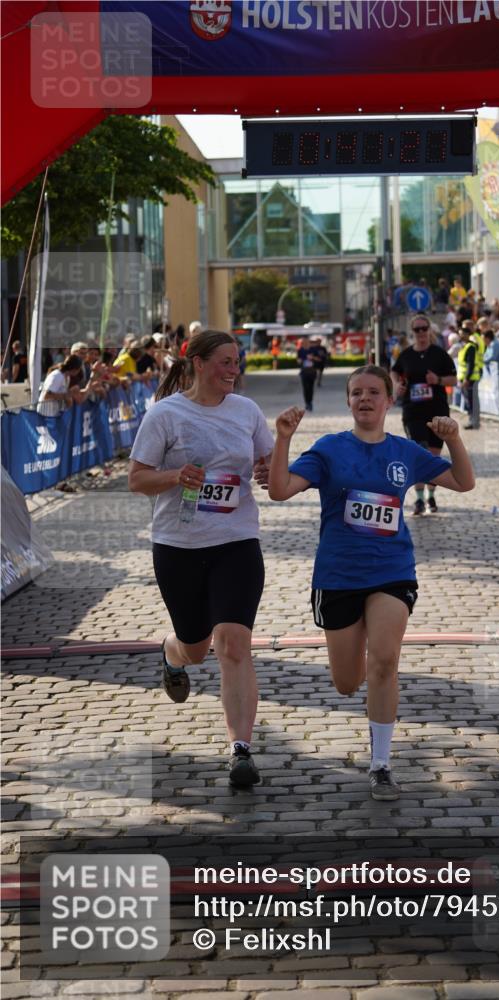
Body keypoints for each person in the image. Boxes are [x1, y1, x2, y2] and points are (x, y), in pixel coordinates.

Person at [268, 365, 475, 800]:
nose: (365, 399)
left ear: (389, 400)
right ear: (348, 401)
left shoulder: (405, 452)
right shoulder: (329, 450)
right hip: (338, 575)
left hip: (392, 570)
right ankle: (357, 656)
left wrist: (454, 438)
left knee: (385, 659)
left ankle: (381, 765)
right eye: (357, 392)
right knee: (347, 682)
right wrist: (283, 437)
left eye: (374, 392)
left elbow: (463, 481)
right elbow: (280, 489)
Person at [127, 330, 274, 789]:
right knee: (196, 646)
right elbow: (137, 479)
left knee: (232, 643)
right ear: (196, 362)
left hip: (236, 542)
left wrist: (270, 470)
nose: (233, 370)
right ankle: (171, 653)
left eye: (237, 362)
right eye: (225, 362)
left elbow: (268, 463)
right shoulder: (165, 415)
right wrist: (176, 476)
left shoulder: (247, 411)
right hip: (178, 547)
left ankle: (240, 751)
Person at [391, 314, 457, 515]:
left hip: (437, 411)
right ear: (413, 333)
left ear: (430, 330)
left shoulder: (440, 354)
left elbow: (454, 380)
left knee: (433, 456)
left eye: (424, 328)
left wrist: (437, 380)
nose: (421, 333)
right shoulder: (406, 355)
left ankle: (431, 495)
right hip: (413, 411)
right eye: (417, 329)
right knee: (419, 452)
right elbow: (394, 372)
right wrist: (397, 384)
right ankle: (419, 500)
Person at [456, 323, 483, 429]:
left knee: (472, 401)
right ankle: (472, 421)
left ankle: (474, 422)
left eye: (462, 334)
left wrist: (467, 379)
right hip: (466, 378)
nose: (460, 336)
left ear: (467, 334)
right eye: (459, 334)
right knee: (469, 401)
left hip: (470, 379)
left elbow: (470, 364)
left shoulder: (470, 347)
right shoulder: (465, 346)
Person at [297, 336, 320, 411]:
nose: (305, 343)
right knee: (305, 388)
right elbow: (298, 360)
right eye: (303, 342)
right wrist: (301, 360)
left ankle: (310, 402)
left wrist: (312, 358)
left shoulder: (313, 350)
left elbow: (319, 359)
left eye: (306, 342)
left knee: (311, 388)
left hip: (312, 371)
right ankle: (306, 402)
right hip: (304, 371)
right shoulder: (300, 350)